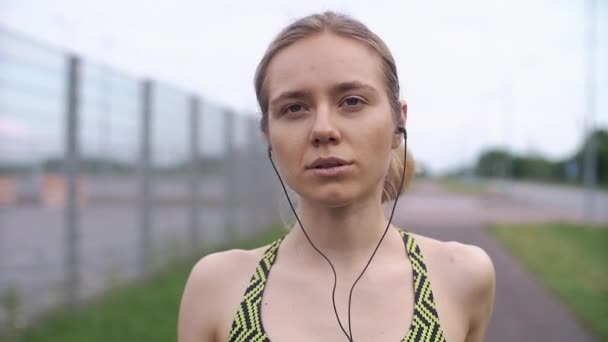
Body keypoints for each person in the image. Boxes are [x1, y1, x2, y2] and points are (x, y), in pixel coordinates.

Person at [178, 11, 495, 342]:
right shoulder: (216, 288)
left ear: (398, 123)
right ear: (268, 133)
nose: (323, 129)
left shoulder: (463, 276)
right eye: (295, 108)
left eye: (352, 101)